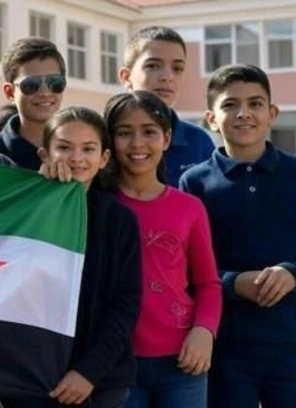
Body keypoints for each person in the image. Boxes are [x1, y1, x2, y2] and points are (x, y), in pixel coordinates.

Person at [180, 64, 296, 408]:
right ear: (211, 119)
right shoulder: (194, 183)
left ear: (272, 113)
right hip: (223, 347)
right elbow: (183, 268)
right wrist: (232, 283)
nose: (244, 113)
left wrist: (294, 273)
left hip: (291, 344)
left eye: (255, 104)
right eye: (230, 105)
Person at [3, 106, 143, 408]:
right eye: (64, 147)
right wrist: (41, 200)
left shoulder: (119, 220)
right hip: (30, 376)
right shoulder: (22, 212)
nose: (77, 157)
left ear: (104, 158)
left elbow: (125, 304)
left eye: (88, 149)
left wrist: (89, 371)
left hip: (100, 381)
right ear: (44, 155)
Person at [99, 91, 221, 408]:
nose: (137, 143)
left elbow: (208, 283)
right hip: (115, 363)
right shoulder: (96, 207)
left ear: (166, 138)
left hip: (182, 362)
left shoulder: (189, 208)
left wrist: (204, 330)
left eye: (149, 131)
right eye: (124, 133)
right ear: (109, 141)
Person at [118, 26, 215, 186]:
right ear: (126, 77)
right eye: (153, 66)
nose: (167, 77)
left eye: (177, 68)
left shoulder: (198, 142)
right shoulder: (100, 138)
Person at [0, 38, 66, 170]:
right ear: (10, 92)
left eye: (54, 82)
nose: (45, 93)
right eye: (31, 84)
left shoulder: (82, 152)